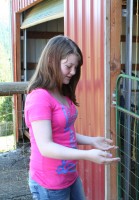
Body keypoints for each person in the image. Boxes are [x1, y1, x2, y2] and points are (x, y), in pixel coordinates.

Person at [24, 35, 120, 200]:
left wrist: (92, 141)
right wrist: (87, 155)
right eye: (68, 66)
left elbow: (63, 133)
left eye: (76, 67)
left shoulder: (61, 92)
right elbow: (45, 146)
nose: (73, 72)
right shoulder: (39, 97)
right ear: (50, 61)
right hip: (49, 182)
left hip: (69, 175)